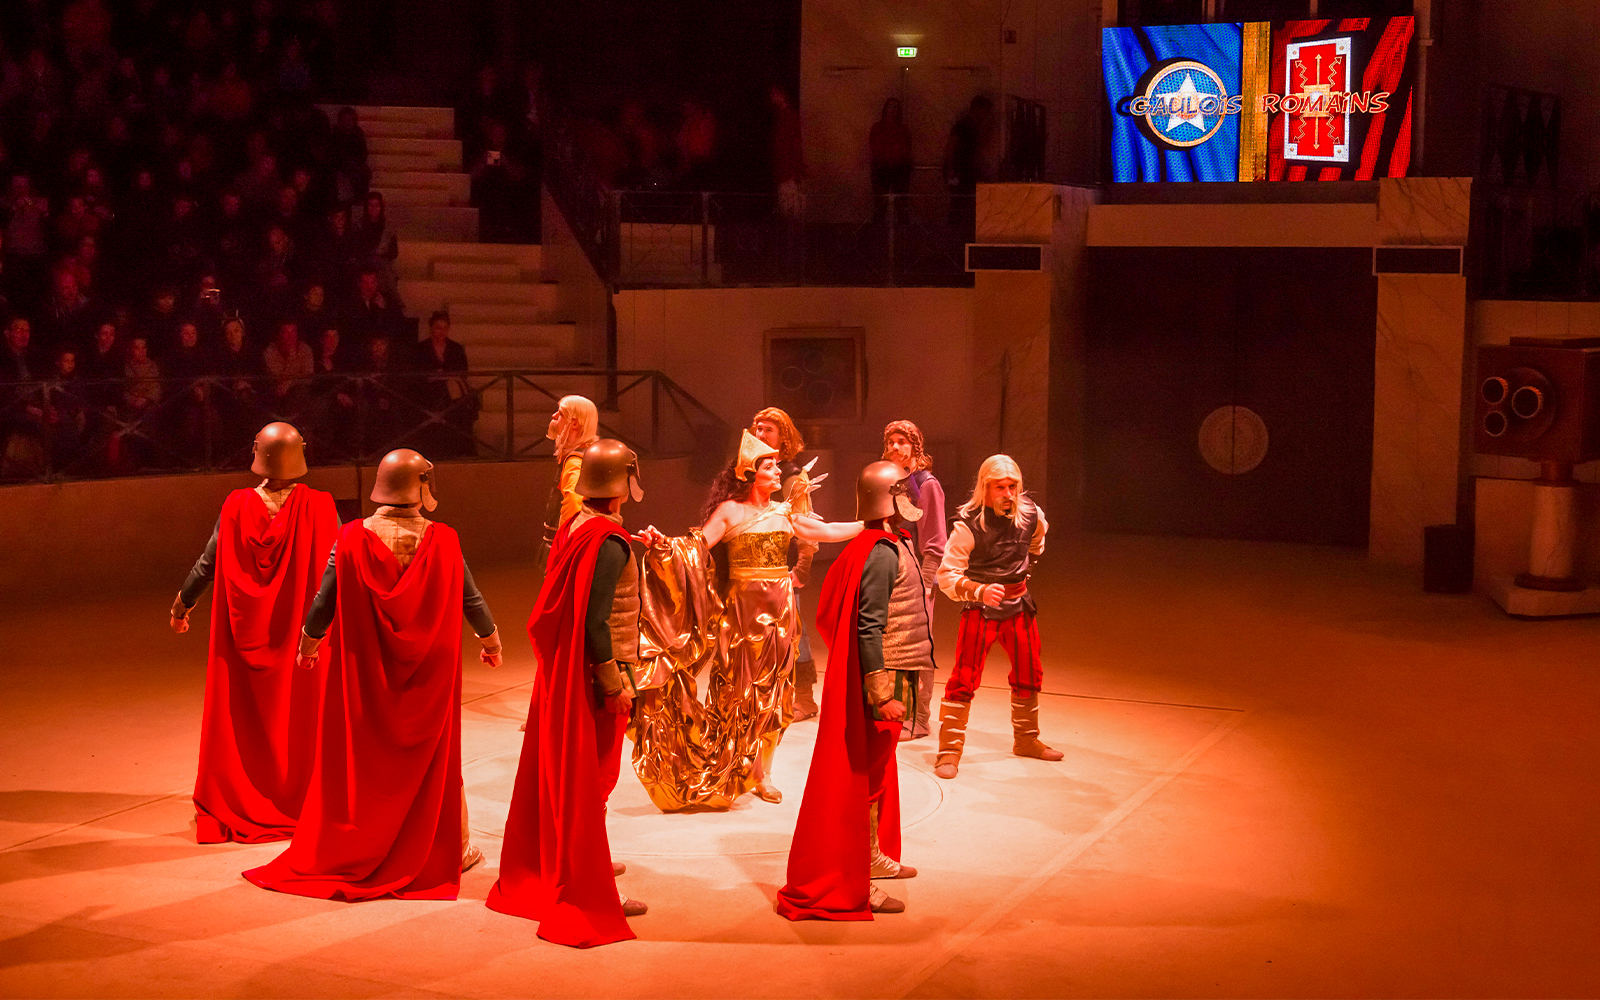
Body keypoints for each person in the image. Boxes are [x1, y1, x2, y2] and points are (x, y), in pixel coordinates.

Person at [245, 449, 503, 900]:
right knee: (433, 763)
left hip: (367, 673)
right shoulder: (442, 539)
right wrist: (491, 641)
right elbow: (470, 597)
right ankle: (452, 849)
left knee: (364, 762)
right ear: (422, 486)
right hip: (429, 675)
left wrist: (310, 642)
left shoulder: (351, 538)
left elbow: (325, 598)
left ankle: (359, 843)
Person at [631, 430, 862, 809]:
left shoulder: (786, 513)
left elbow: (828, 530)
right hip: (741, 618)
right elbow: (694, 548)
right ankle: (728, 763)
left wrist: (870, 525)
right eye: (769, 466)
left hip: (780, 618)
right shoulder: (731, 512)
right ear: (748, 474)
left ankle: (762, 774)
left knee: (774, 697)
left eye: (776, 466)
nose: (776, 471)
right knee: (737, 694)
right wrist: (662, 545)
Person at [489, 440, 657, 946]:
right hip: (599, 678)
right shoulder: (608, 540)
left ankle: (585, 862)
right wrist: (613, 683)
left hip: (569, 675)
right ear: (623, 481)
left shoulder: (577, 526)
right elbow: (595, 619)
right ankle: (590, 881)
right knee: (595, 780)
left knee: (579, 780)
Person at [169, 423, 341, 842]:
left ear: (257, 453)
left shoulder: (235, 506)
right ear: (300, 454)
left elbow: (207, 563)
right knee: (302, 717)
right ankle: (300, 797)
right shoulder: (319, 506)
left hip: (242, 638)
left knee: (241, 718)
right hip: (304, 640)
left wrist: (182, 605)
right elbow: (342, 566)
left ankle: (243, 795)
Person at [777, 461, 928, 919]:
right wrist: (880, 690)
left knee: (878, 774)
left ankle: (874, 857)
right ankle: (859, 874)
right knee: (867, 778)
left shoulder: (885, 543)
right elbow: (868, 625)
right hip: (883, 679)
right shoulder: (880, 550)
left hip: (897, 672)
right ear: (891, 499)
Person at [934, 454, 1063, 779]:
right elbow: (947, 576)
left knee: (1029, 670)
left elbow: (1037, 540)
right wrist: (978, 590)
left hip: (1019, 606)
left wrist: (1023, 570)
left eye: (1012, 486)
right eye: (999, 487)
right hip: (982, 610)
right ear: (985, 489)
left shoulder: (1032, 513)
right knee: (964, 677)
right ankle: (949, 750)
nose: (1007, 494)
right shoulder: (968, 524)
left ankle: (1027, 738)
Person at [750, 406, 821, 721]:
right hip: (752, 565)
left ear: (783, 438)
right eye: (758, 428)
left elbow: (805, 526)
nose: (760, 434)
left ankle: (804, 697)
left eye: (768, 429)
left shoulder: (793, 476)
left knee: (794, 632)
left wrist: (803, 565)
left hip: (782, 565)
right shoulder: (747, 472)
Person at [882, 419, 946, 740]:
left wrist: (928, 580)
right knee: (891, 643)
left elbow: (934, 537)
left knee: (917, 647)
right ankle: (895, 709)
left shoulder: (925, 484)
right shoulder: (887, 481)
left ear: (914, 448)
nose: (895, 447)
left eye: (902, 442)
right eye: (891, 441)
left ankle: (919, 719)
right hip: (889, 572)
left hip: (917, 577)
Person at [539, 394, 599, 568]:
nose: (554, 416)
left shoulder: (575, 460)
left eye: (561, 413)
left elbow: (574, 504)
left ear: (574, 423)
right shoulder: (588, 455)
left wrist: (566, 546)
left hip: (565, 548)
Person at [413, 310, 475, 458]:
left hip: (451, 392)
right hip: (428, 391)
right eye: (437, 327)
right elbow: (417, 373)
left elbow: (462, 372)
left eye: (444, 328)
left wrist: (444, 376)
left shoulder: (456, 349)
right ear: (431, 328)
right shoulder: (421, 349)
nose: (440, 332)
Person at [869, 98, 913, 223]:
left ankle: (902, 233)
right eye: (890, 106)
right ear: (885, 109)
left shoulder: (903, 129)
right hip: (882, 168)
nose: (893, 110)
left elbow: (907, 148)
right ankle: (878, 232)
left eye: (895, 107)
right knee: (880, 204)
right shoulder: (877, 128)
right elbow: (875, 147)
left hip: (899, 169)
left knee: (902, 204)